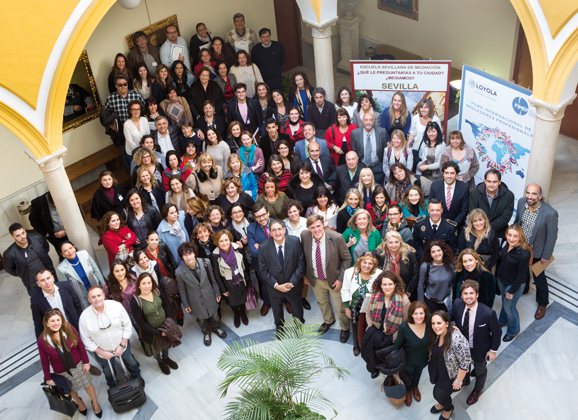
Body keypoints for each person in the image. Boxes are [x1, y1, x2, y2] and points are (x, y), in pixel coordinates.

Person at [38, 309, 103, 417]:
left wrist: (86, 362)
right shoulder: (43, 340)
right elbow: (44, 360)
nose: (56, 323)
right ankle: (80, 403)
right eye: (52, 321)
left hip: (78, 364)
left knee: (87, 384)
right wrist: (48, 378)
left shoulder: (68, 328)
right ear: (47, 323)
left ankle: (95, 403)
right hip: (61, 370)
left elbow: (80, 346)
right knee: (71, 388)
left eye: (58, 320)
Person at [79, 286, 143, 389]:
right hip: (102, 353)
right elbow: (86, 340)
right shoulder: (84, 317)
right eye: (93, 297)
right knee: (107, 370)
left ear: (103, 295)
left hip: (123, 346)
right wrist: (101, 352)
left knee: (131, 362)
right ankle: (113, 386)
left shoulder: (116, 306)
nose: (97, 299)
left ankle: (137, 377)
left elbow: (127, 325)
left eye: (99, 295)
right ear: (89, 299)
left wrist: (122, 345)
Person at [450, 280, 501, 405]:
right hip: (462, 348)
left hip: (478, 349)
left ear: (477, 294)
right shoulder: (457, 304)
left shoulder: (488, 313)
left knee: (480, 371)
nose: (468, 296)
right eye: (465, 293)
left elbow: (497, 333)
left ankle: (477, 390)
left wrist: (493, 351)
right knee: (463, 366)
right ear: (461, 295)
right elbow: (449, 316)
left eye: (471, 293)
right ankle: (465, 379)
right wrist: (445, 324)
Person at [301, 215, 352, 340]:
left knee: (340, 307)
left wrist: (340, 279)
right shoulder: (305, 236)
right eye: (312, 227)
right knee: (322, 302)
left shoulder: (336, 237)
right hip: (316, 279)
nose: (316, 230)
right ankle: (328, 320)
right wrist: (305, 275)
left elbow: (347, 259)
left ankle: (345, 328)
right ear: (308, 228)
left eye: (318, 226)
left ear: (323, 224)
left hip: (334, 280)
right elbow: (304, 257)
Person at [514, 183, 558, 319]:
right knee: (522, 269)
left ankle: (542, 303)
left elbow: (552, 237)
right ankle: (525, 288)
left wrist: (546, 255)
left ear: (540, 196)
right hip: (521, 246)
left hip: (537, 251)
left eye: (534, 194)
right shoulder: (522, 202)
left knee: (539, 278)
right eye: (528, 192)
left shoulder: (550, 213)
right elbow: (517, 222)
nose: (530, 196)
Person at [258, 218, 306, 333]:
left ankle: (299, 326)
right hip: (274, 286)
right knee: (277, 309)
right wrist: (276, 285)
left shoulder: (295, 242)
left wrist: (291, 283)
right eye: (274, 230)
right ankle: (279, 327)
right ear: (270, 233)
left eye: (279, 229)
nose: (277, 232)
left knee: (297, 308)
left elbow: (301, 265)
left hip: (293, 285)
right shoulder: (263, 247)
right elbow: (263, 270)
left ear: (284, 230)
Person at [176, 242, 228, 346]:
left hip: (210, 295)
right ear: (182, 257)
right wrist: (186, 304)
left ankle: (216, 327)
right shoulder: (179, 272)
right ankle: (206, 332)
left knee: (214, 314)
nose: (188, 257)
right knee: (201, 318)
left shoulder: (206, 262)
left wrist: (217, 292)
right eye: (185, 255)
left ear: (194, 253)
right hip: (194, 300)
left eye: (190, 253)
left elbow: (213, 279)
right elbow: (182, 290)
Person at [362, 271, 411, 379]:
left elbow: (406, 322)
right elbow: (368, 313)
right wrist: (371, 329)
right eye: (384, 284)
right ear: (380, 285)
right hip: (375, 333)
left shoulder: (404, 300)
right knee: (373, 354)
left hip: (392, 336)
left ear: (395, 284)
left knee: (387, 357)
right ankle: (374, 368)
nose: (387, 287)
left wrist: (393, 338)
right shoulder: (374, 296)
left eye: (390, 284)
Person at [130, 273, 178, 375]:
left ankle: (166, 358)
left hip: (165, 327)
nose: (147, 286)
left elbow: (166, 306)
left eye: (149, 282)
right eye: (144, 283)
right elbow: (141, 324)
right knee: (156, 349)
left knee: (166, 344)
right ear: (138, 285)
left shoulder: (157, 290)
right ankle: (160, 361)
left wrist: (168, 323)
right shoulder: (135, 301)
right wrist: (159, 333)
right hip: (152, 332)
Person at [427, 310, 471, 420]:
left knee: (438, 394)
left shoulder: (458, 339)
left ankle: (448, 408)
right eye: (433, 323)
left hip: (451, 375)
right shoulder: (435, 334)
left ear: (447, 323)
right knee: (439, 393)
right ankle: (443, 404)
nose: (435, 326)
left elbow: (465, 363)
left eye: (439, 323)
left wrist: (458, 381)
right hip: (438, 370)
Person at [342, 252, 382, 356]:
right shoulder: (349, 272)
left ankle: (367, 345)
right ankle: (356, 345)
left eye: (370, 263)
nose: (367, 266)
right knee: (355, 327)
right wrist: (347, 308)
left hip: (370, 309)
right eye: (365, 262)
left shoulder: (378, 274)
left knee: (370, 327)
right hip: (355, 308)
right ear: (360, 262)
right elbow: (345, 290)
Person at [498, 224, 532, 342]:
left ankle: (513, 331)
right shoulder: (506, 244)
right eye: (509, 235)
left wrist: (511, 290)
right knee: (504, 302)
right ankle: (502, 320)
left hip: (513, 284)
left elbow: (522, 276)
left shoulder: (523, 254)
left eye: (515, 236)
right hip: (502, 279)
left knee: (510, 308)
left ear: (520, 238)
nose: (511, 238)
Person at [392, 301, 430, 407]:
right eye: (416, 313)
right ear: (411, 314)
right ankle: (408, 390)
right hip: (408, 359)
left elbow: (442, 320)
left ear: (425, 313)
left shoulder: (428, 321)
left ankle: (415, 387)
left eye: (421, 313)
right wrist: (390, 359)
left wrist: (451, 327)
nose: (419, 316)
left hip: (423, 358)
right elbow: (398, 344)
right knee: (407, 376)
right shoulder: (405, 327)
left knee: (418, 373)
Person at [211, 230, 251, 328]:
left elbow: (245, 264)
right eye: (221, 241)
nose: (224, 243)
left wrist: (248, 279)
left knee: (242, 299)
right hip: (228, 283)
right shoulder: (215, 255)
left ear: (230, 240)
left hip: (241, 279)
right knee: (232, 301)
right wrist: (223, 289)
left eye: (226, 240)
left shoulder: (238, 248)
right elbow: (216, 273)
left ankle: (242, 311)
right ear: (217, 242)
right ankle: (236, 315)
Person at [104, 74, 144, 168]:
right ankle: (132, 170)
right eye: (120, 85)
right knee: (126, 153)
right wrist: (110, 124)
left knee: (141, 148)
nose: (123, 86)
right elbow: (104, 114)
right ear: (116, 86)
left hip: (137, 128)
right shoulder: (110, 98)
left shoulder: (136, 94)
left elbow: (144, 109)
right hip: (122, 131)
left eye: (125, 84)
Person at [3, 223, 55, 296]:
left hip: (49, 278)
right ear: (13, 237)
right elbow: (10, 269)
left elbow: (46, 248)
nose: (22, 237)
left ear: (25, 231)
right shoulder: (9, 254)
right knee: (42, 306)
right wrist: (22, 272)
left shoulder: (37, 238)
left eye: (23, 233)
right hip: (33, 285)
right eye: (18, 235)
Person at [468, 168, 515, 240]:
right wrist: (481, 228)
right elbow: (472, 212)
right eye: (489, 181)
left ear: (499, 182)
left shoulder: (509, 195)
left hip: (498, 233)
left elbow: (505, 217)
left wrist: (487, 229)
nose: (491, 184)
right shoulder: (475, 192)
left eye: (494, 182)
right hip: (477, 232)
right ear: (485, 181)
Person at [58, 241, 105, 310]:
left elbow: (96, 270)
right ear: (62, 254)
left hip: (96, 288)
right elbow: (66, 289)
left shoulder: (84, 254)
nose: (69, 251)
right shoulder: (62, 268)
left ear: (74, 247)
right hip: (82, 297)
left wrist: (103, 285)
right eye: (65, 251)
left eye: (70, 248)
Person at [375, 230, 419, 299]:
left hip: (404, 293)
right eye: (390, 242)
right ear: (386, 243)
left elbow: (415, 274)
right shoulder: (379, 254)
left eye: (396, 242)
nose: (394, 245)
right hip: (383, 293)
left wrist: (408, 293)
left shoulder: (409, 254)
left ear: (400, 242)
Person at [247, 203, 274, 315]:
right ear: (254, 216)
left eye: (263, 215)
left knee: (281, 280)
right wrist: (272, 246)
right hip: (260, 264)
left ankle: (286, 300)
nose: (262, 218)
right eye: (258, 216)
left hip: (278, 261)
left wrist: (261, 246)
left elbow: (283, 245)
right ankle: (267, 303)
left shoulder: (279, 223)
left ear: (268, 213)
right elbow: (254, 252)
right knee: (264, 284)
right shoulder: (251, 228)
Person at [429, 161, 470, 229]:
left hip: (457, 226)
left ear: (456, 174)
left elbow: (464, 210)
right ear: (443, 174)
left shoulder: (464, 187)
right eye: (447, 173)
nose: (449, 176)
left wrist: (453, 225)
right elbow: (432, 207)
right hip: (438, 225)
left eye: (452, 173)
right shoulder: (434, 186)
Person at [351, 113, 388, 185]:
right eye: (366, 120)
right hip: (361, 167)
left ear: (374, 121)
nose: (368, 122)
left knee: (377, 191)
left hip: (377, 168)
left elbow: (384, 151)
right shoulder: (355, 133)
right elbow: (354, 152)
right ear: (362, 121)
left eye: (370, 120)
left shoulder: (382, 132)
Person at [408, 97, 441, 171]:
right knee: (418, 170)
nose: (423, 110)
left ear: (430, 109)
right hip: (418, 149)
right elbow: (412, 133)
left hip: (431, 150)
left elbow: (439, 135)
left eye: (426, 107)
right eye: (421, 107)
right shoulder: (415, 118)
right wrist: (407, 145)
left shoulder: (436, 119)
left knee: (429, 170)